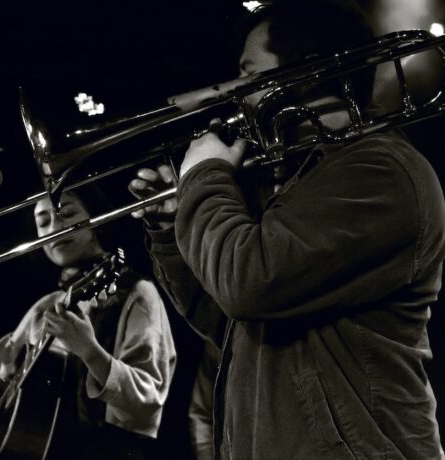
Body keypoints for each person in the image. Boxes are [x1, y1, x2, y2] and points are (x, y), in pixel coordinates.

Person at [128, 0, 445, 458]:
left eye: (249, 74)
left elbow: (248, 283)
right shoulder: (299, 177)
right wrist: (171, 225)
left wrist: (204, 176)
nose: (236, 94)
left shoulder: (379, 171)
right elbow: (226, 320)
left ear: (304, 73)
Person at [0, 188, 177, 460]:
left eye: (66, 213)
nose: (54, 228)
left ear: (95, 219)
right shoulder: (47, 305)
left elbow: (149, 396)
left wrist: (90, 352)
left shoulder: (136, 292)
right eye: (43, 222)